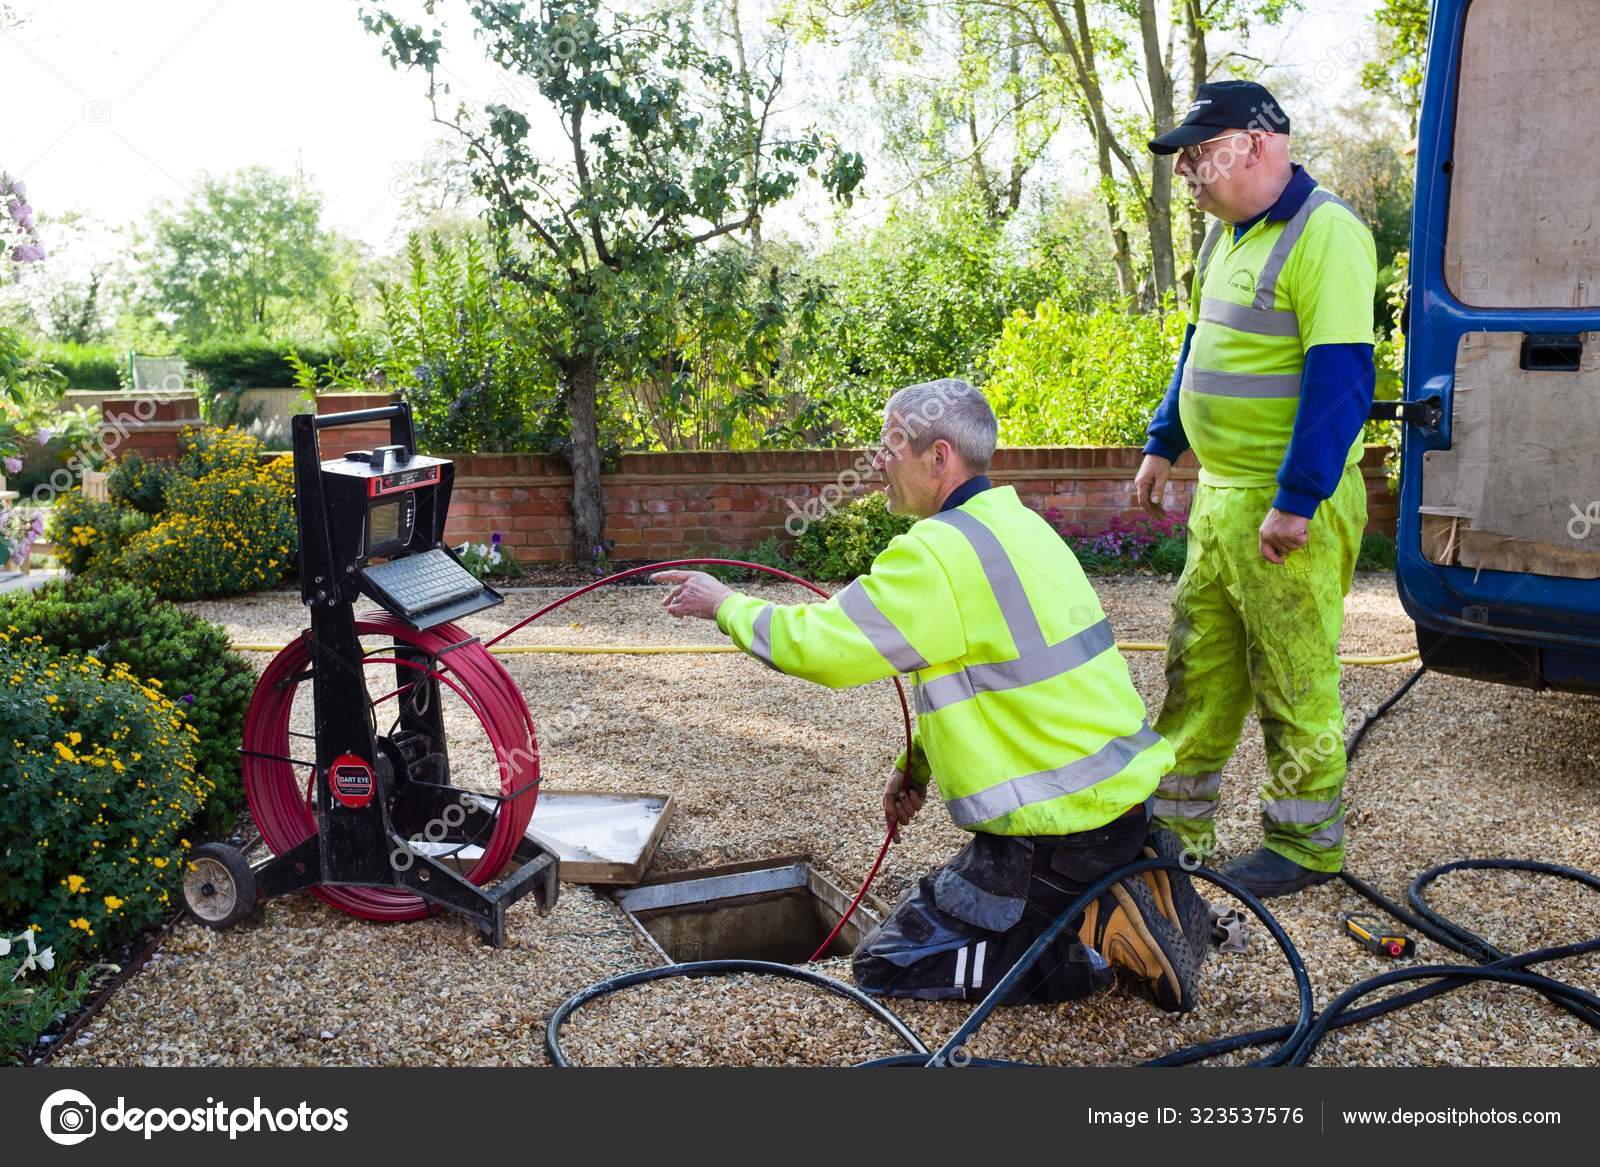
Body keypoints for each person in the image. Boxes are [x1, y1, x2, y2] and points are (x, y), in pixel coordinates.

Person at [654, 379, 1210, 1011]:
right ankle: (1124, 874)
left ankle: (1091, 937)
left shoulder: (940, 553)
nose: (878, 460)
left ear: (939, 457)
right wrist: (913, 766)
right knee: (937, 920)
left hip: (1057, 835)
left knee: (889, 964)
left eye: (891, 444)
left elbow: (820, 646)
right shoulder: (1018, 525)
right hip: (1114, 807)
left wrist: (721, 602)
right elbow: (994, 681)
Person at [1136, 80, 1377, 897]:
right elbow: (1200, 350)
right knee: (1198, 668)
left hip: (1283, 505)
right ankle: (1173, 832)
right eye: (1185, 159)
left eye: (1202, 153)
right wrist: (1164, 443)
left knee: (1293, 674)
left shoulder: (1328, 233)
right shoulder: (1223, 240)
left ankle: (1304, 847)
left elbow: (1340, 379)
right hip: (1222, 499)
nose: (1190, 172)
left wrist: (1299, 499)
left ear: (1263, 142)